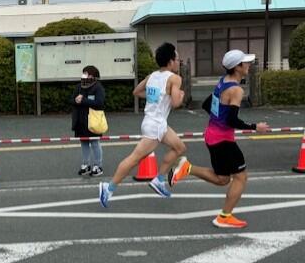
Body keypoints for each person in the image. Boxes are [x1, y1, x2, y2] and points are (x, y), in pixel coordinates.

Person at [169, 50, 270, 228]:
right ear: (237, 67)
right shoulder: (236, 90)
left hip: (212, 135)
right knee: (240, 177)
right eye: (245, 62)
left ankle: (187, 168)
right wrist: (256, 127)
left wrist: (218, 120)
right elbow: (232, 120)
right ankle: (224, 216)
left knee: (222, 179)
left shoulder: (223, 81)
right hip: (223, 140)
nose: (248, 65)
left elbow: (207, 104)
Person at [99, 42, 185, 208]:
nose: (178, 62)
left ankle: (159, 180)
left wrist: (157, 98)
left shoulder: (151, 76)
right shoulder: (175, 79)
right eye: (177, 59)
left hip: (155, 122)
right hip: (155, 125)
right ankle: (108, 188)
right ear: (170, 61)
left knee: (179, 147)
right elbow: (175, 103)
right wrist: (180, 95)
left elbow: (136, 92)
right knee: (134, 159)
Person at [71, 65, 105, 176]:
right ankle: (86, 165)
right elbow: (72, 100)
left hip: (93, 120)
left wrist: (83, 100)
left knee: (95, 142)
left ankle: (98, 166)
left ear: (93, 76)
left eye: (87, 74)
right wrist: (76, 100)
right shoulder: (79, 87)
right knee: (84, 142)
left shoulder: (98, 87)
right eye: (84, 73)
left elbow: (99, 103)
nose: (85, 76)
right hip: (80, 120)